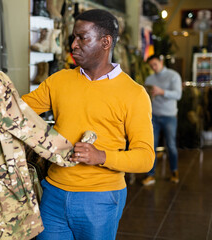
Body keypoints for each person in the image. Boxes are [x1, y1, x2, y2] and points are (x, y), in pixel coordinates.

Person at [22, 9, 154, 240]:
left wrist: (101, 156)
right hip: (53, 193)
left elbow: (145, 157)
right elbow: (16, 111)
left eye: (82, 37)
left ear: (106, 42)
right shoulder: (59, 80)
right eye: (73, 37)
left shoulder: (134, 94)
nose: (73, 45)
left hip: (101, 198)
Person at [142, 54, 182, 186]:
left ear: (161, 61)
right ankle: (150, 175)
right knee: (151, 146)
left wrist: (162, 92)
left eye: (155, 64)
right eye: (151, 66)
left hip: (169, 116)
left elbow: (178, 94)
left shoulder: (173, 75)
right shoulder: (149, 78)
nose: (153, 67)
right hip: (153, 116)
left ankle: (174, 171)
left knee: (170, 145)